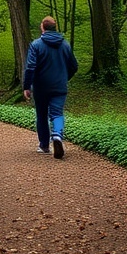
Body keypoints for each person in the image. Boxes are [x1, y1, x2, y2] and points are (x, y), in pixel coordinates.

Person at [23, 16, 78, 159]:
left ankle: (44, 146)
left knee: (42, 115)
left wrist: (27, 86)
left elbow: (30, 67)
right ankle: (57, 135)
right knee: (57, 113)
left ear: (43, 27)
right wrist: (64, 78)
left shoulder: (36, 45)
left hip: (41, 87)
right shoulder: (65, 45)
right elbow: (74, 66)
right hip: (59, 86)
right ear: (55, 27)